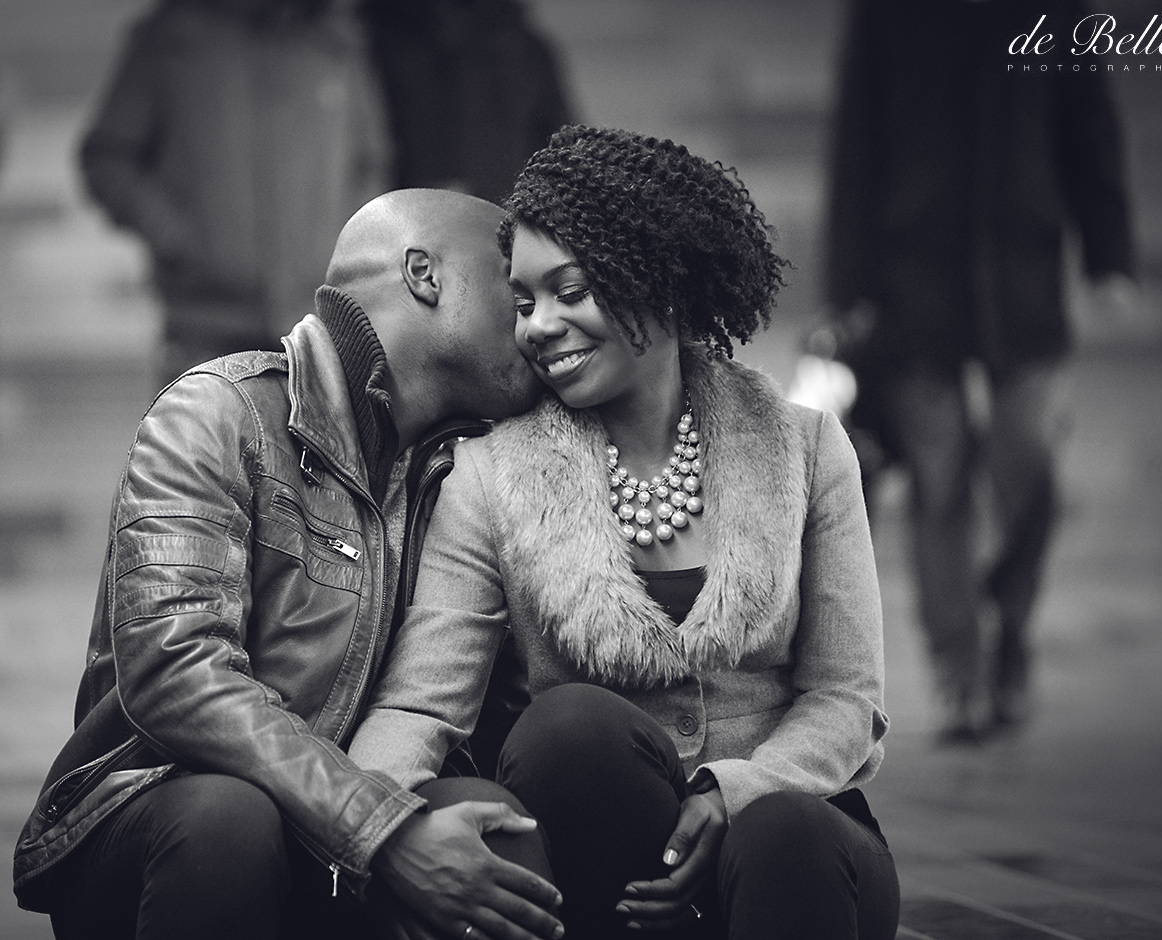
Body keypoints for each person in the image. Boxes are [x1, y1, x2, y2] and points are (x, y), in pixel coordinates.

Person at [350, 126, 901, 940]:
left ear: (662, 283)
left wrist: (736, 792)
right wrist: (366, 830)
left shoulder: (806, 446)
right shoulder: (491, 477)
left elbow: (848, 696)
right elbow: (421, 702)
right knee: (570, 728)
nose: (539, 326)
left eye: (570, 291)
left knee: (782, 831)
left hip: (795, 850)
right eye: (524, 302)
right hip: (608, 865)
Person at [12, 189, 567, 940]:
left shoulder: (466, 468)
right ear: (424, 275)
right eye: (515, 287)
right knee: (228, 816)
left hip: (345, 830)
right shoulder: (217, 413)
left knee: (493, 829)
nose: (536, 322)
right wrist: (384, 831)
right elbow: (177, 673)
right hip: (162, 817)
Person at [824, 0, 1137, 741]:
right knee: (939, 478)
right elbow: (856, 143)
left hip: (1023, 274)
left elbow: (1088, 126)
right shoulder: (885, 13)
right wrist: (847, 288)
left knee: (1029, 458)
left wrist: (1109, 254)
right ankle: (959, 671)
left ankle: (1011, 626)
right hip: (912, 279)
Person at [80, 0, 391, 387]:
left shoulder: (335, 42)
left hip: (317, 327)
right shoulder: (172, 38)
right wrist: (176, 237)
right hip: (204, 327)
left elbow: (369, 163)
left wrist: (344, 248)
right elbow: (108, 158)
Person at [358, 0, 575, 205]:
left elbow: (561, 150)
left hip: (499, 214)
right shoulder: (370, 39)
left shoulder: (526, 50)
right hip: (396, 214)